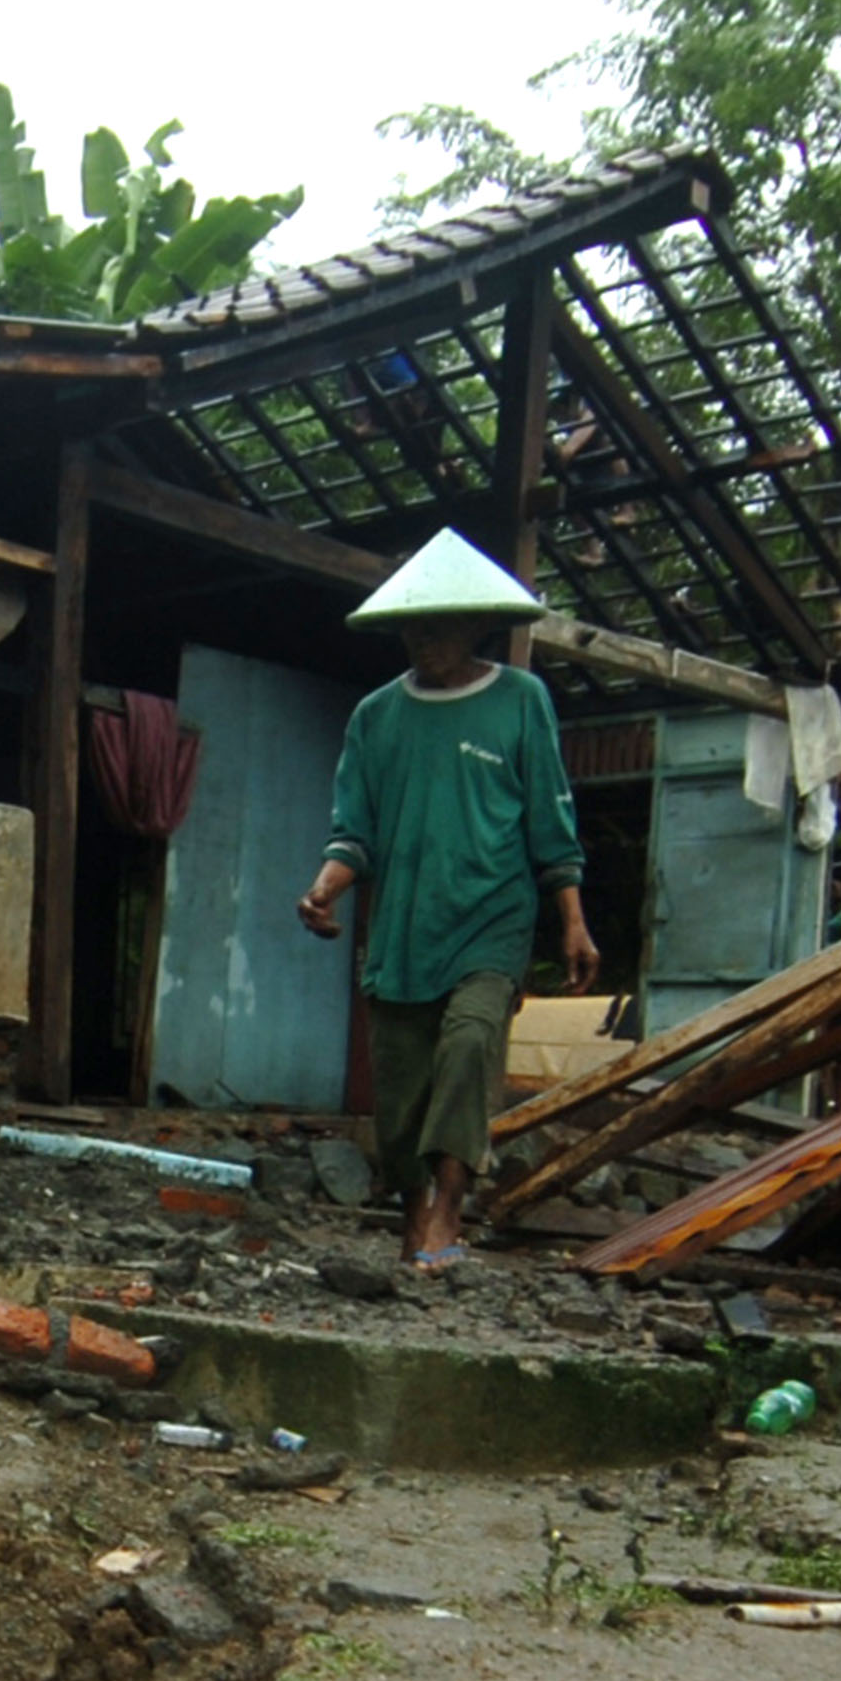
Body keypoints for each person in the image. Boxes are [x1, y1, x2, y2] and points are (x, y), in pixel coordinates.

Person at [297, 530, 598, 1269]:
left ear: (474, 625)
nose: (423, 639)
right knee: (397, 1097)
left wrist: (572, 922)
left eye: (439, 625)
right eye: (413, 625)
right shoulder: (377, 717)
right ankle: (412, 1208)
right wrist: (323, 891)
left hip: (492, 922)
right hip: (402, 930)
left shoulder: (520, 702)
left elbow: (550, 826)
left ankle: (450, 1211)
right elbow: (353, 833)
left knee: (468, 1045)